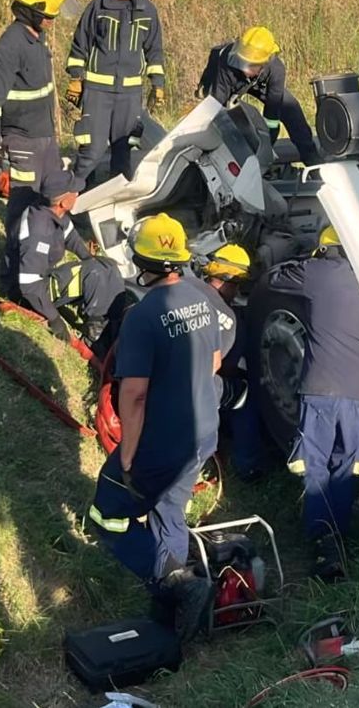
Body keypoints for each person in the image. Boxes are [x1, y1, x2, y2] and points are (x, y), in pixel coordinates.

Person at [87, 213, 221, 641]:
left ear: (140, 260)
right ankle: (174, 617)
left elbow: (135, 395)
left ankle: (177, 586)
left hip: (163, 442)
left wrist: (127, 456)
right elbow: (215, 361)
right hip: (203, 430)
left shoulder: (143, 316)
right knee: (168, 511)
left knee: (105, 515)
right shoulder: (202, 297)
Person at [266, 226, 359, 581]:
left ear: (326, 250)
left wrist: (299, 254)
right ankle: (340, 537)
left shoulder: (318, 271)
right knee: (348, 464)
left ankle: (322, 543)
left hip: (323, 385)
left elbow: (274, 279)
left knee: (313, 464)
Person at [0, 0, 68, 274]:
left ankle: (47, 259)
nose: (51, 23)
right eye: (48, 17)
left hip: (44, 136)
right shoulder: (10, 44)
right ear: (31, 11)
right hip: (22, 140)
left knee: (49, 198)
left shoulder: (37, 37)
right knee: (22, 206)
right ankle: (15, 273)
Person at [66, 0, 165, 184]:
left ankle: (113, 206)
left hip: (130, 93)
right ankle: (76, 202)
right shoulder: (97, 7)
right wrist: (76, 78)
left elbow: (154, 50)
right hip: (98, 92)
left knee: (123, 152)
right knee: (92, 150)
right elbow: (80, 44)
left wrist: (158, 84)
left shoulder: (147, 10)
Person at [8, 170, 126, 343]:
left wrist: (89, 258)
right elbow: (29, 286)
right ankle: (96, 336)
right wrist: (54, 320)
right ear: (63, 202)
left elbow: (71, 237)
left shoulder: (55, 213)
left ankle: (112, 322)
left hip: (42, 278)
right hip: (29, 292)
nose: (78, 194)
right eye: (75, 192)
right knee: (95, 273)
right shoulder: (39, 232)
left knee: (107, 266)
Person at [196, 26, 319, 165]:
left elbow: (272, 117)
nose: (245, 69)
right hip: (227, 76)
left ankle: (313, 161)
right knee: (217, 116)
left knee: (291, 109)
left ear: (265, 62)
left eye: (250, 65)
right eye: (242, 62)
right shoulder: (227, 62)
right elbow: (216, 107)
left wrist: (265, 152)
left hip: (259, 82)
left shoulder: (276, 70)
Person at [195, 244, 265, 479]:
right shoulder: (231, 321)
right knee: (244, 396)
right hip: (194, 388)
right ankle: (248, 467)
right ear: (231, 281)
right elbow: (225, 367)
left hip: (159, 375)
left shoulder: (188, 289)